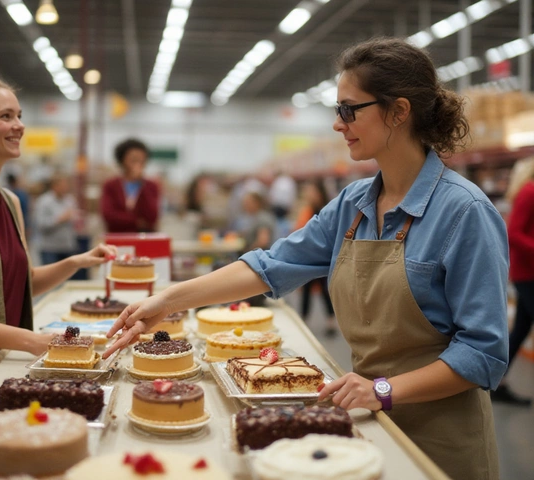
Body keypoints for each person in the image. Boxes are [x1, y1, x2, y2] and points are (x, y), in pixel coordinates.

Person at [104, 38, 508, 480]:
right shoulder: (353, 204)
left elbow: (484, 353)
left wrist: (385, 389)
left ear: (399, 111)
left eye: (349, 109)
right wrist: (167, 300)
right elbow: (269, 265)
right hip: (369, 418)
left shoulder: (464, 212)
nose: (339, 124)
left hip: (441, 440)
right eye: (338, 110)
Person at [0, 75, 117, 420]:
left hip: (3, 370)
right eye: (6, 116)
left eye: (19, 115)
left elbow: (20, 283)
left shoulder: (9, 202)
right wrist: (31, 341)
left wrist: (75, 262)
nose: (19, 126)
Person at [492, 158, 534, 406]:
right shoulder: (529, 192)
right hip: (528, 273)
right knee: (520, 329)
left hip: (525, 271)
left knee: (520, 330)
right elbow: (514, 233)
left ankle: (497, 380)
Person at [295, 179, 336, 335]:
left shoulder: (327, 209)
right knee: (306, 289)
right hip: (309, 255)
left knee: (325, 290)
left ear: (320, 193)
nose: (309, 194)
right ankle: (304, 320)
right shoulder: (307, 209)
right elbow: (300, 229)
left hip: (324, 256)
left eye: (312, 191)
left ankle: (330, 321)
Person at [100, 138, 160, 233]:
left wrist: (142, 186)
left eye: (142, 160)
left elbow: (152, 217)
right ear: (122, 160)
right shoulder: (111, 185)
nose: (138, 164)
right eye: (133, 159)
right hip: (117, 238)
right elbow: (109, 215)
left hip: (144, 237)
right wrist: (137, 221)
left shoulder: (151, 186)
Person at [33, 175, 79, 267]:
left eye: (66, 185)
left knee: (68, 280)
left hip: (67, 247)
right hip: (50, 249)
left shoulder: (70, 200)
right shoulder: (44, 202)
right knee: (51, 280)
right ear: (54, 186)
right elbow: (41, 225)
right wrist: (60, 219)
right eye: (62, 185)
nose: (65, 188)